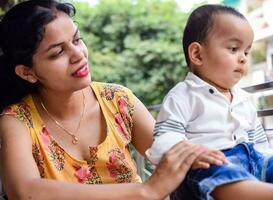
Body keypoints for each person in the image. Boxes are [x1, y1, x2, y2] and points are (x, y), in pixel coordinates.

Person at [0, 1, 215, 199]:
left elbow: (175, 156)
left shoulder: (117, 100)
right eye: (58, 52)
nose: (78, 55)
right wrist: (146, 190)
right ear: (27, 72)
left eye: (77, 40)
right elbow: (24, 191)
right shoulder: (17, 120)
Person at [146, 4, 273, 200]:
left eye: (246, 52)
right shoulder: (183, 95)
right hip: (206, 170)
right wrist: (193, 155)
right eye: (233, 49)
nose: (243, 59)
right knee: (212, 169)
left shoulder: (243, 98)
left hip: (252, 165)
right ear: (197, 54)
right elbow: (164, 138)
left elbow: (260, 144)